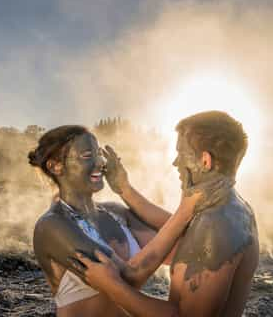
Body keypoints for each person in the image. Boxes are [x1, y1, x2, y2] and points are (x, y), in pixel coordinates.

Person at [29, 125, 231, 317]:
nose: (100, 162)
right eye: (87, 156)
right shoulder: (52, 226)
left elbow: (187, 242)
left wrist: (125, 189)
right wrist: (186, 209)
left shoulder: (115, 212)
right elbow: (128, 278)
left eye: (99, 153)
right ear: (56, 166)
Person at [72, 111, 259, 317]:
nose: (175, 162)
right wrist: (124, 188)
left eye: (181, 153)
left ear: (205, 161)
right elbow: (174, 227)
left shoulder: (216, 224)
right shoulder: (230, 206)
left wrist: (112, 286)